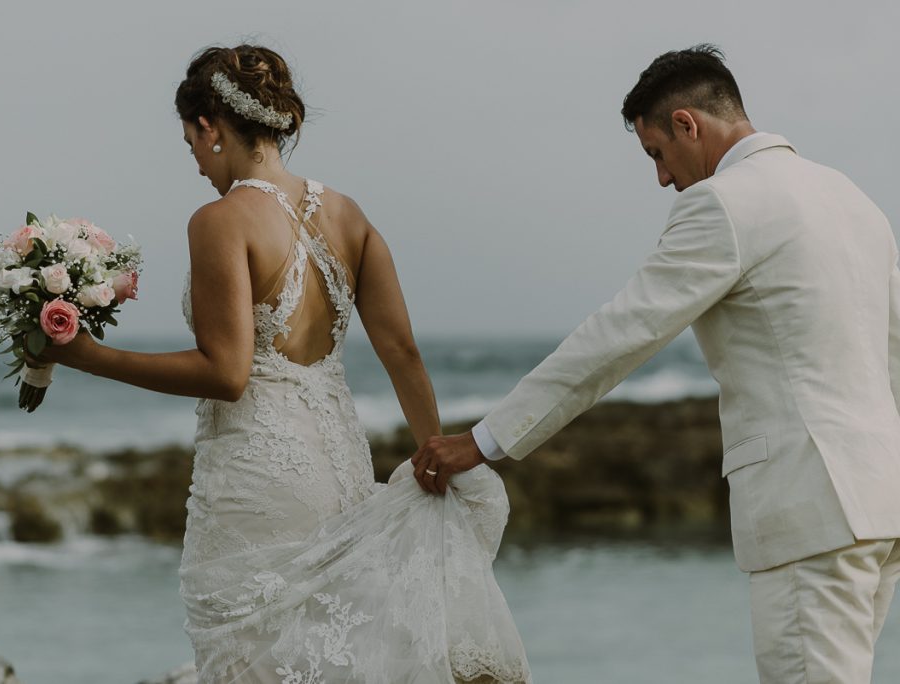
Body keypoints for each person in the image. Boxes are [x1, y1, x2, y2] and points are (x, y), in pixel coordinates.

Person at [29, 44, 529, 682]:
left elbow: (226, 374)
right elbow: (401, 351)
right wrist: (432, 449)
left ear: (211, 127)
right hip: (341, 461)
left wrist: (88, 356)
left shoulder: (221, 220)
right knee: (335, 642)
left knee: (253, 648)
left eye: (190, 143)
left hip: (260, 472)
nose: (196, 164)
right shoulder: (350, 216)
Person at [412, 44, 900, 683]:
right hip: (881, 504)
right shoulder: (851, 198)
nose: (663, 179)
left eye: (657, 155)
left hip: (809, 509)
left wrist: (485, 440)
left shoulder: (724, 203)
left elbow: (618, 337)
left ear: (687, 125)